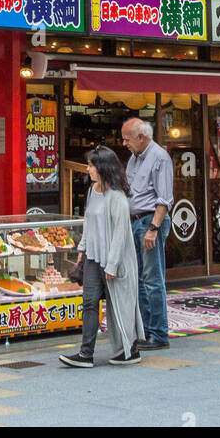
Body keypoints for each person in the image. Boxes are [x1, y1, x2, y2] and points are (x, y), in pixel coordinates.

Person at [60, 146, 143, 367]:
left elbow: (120, 235)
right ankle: (85, 354)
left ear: (103, 168)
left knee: (119, 305)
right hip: (93, 259)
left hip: (114, 262)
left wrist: (112, 266)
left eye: (91, 165)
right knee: (89, 302)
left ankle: (129, 348)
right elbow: (89, 223)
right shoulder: (92, 191)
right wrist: (82, 250)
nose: (88, 169)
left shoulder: (117, 197)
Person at [122, 117, 174, 350]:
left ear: (141, 137)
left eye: (127, 139)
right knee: (140, 280)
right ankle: (145, 330)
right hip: (135, 222)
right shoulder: (134, 159)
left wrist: (153, 228)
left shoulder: (159, 157)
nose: (124, 143)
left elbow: (164, 199)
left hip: (149, 221)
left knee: (153, 279)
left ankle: (159, 334)